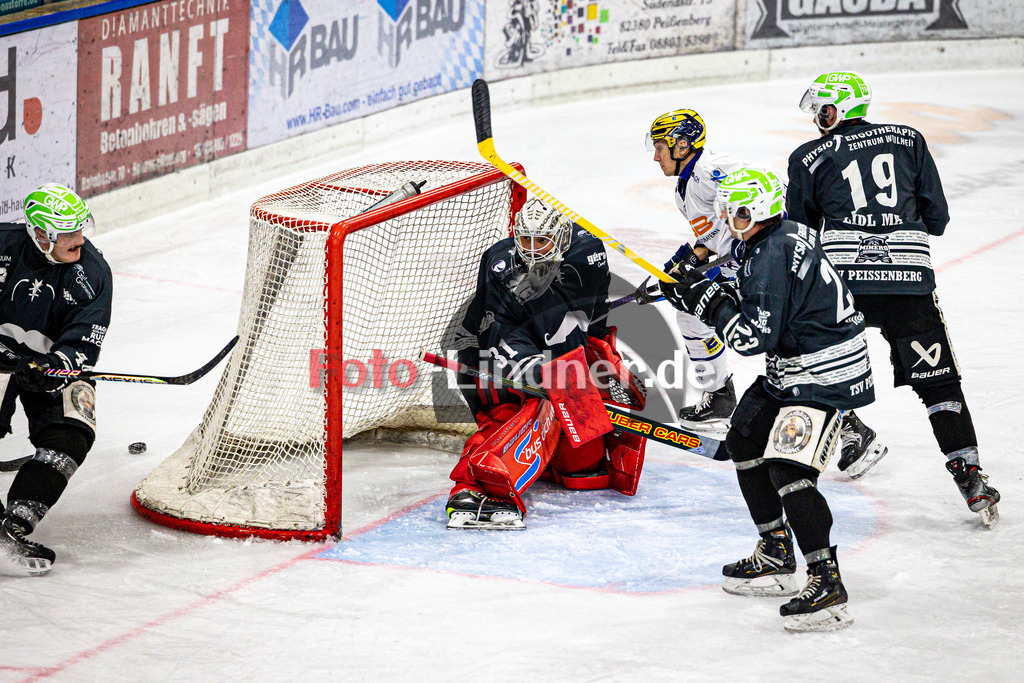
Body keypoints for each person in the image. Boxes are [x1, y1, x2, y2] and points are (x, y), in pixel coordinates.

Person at [661, 167, 872, 632]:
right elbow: (754, 292)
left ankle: (826, 581)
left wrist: (708, 302)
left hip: (823, 373)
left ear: (753, 211)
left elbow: (753, 337)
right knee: (744, 438)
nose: (724, 220)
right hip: (795, 365)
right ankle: (776, 551)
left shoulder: (771, 249)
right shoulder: (772, 236)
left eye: (732, 213)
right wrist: (696, 283)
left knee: (788, 470)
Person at [786, 71, 999, 525]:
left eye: (821, 110)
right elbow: (937, 218)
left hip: (843, 290)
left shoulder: (807, 157)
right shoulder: (909, 138)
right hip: (909, 287)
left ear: (837, 109)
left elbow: (799, 235)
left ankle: (842, 438)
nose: (817, 120)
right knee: (939, 384)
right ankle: (970, 475)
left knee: (814, 370)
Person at [646, 108, 886, 477]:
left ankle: (853, 428)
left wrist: (773, 254)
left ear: (682, 144)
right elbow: (718, 232)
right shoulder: (687, 184)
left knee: (786, 346)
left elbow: (767, 201)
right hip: (747, 264)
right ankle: (721, 397)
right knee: (693, 316)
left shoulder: (714, 171)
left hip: (769, 266)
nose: (656, 154)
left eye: (661, 146)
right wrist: (688, 261)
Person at [446, 197, 647, 529]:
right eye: (525, 240)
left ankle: (545, 457)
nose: (533, 250)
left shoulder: (589, 255)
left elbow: (593, 319)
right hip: (492, 366)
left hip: (562, 370)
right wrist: (543, 374)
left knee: (585, 467)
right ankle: (471, 486)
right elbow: (501, 336)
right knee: (516, 421)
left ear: (562, 239)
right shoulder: (502, 267)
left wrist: (604, 361)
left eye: (543, 241)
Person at [0, 183, 112, 576]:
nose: (78, 239)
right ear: (39, 233)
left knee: (73, 431)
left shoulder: (92, 273)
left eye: (80, 228)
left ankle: (11, 526)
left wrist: (55, 368)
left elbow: (84, 341)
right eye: (67, 232)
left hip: (46, 364)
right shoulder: (2, 248)